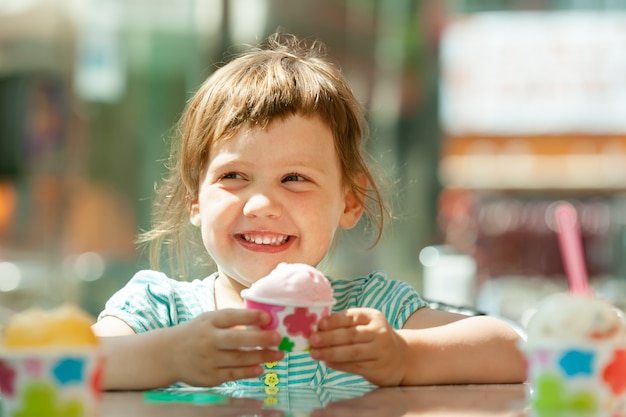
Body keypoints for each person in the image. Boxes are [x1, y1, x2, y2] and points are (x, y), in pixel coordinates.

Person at [93, 32, 526, 390]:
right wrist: (172, 354)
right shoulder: (160, 310)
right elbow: (74, 364)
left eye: (295, 179)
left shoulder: (370, 313)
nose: (261, 205)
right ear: (195, 199)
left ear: (350, 201)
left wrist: (405, 356)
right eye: (233, 176)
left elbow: (512, 350)